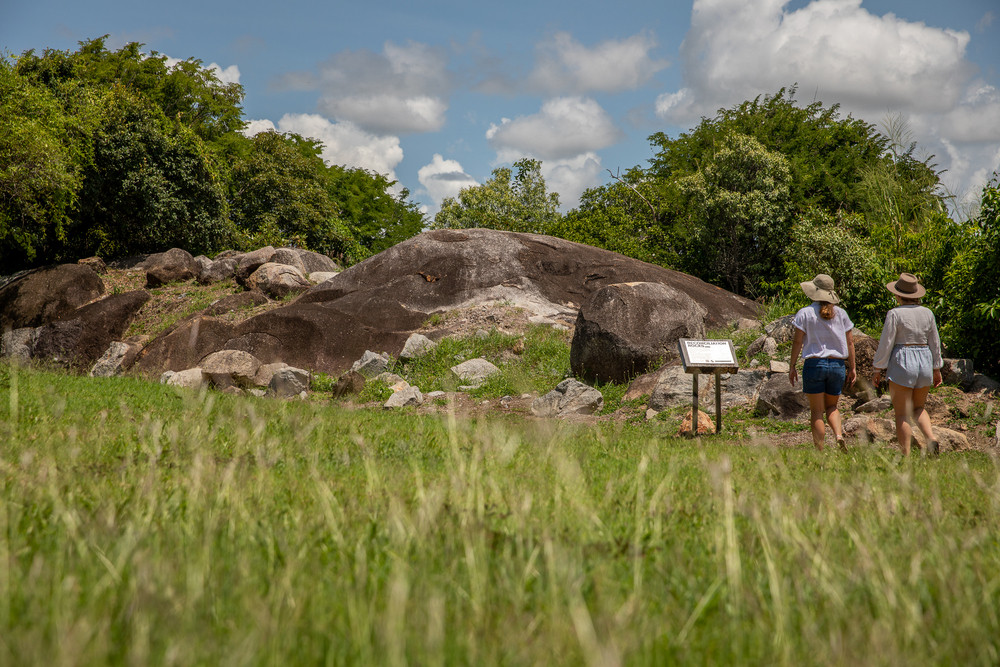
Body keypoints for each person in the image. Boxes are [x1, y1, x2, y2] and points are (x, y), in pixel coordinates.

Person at [872, 273, 943, 456]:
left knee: (902, 413)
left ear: (898, 295)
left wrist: (878, 368)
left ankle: (906, 455)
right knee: (919, 408)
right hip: (924, 360)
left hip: (903, 360)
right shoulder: (928, 313)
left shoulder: (895, 313)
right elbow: (935, 342)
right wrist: (937, 368)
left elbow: (886, 343)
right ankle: (931, 438)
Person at [788, 274, 857, 451]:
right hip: (837, 365)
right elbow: (850, 343)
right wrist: (853, 368)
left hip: (814, 365)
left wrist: (792, 365)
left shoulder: (805, 313)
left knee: (817, 411)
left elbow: (797, 342)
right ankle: (839, 436)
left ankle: (820, 450)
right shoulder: (841, 314)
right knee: (832, 406)